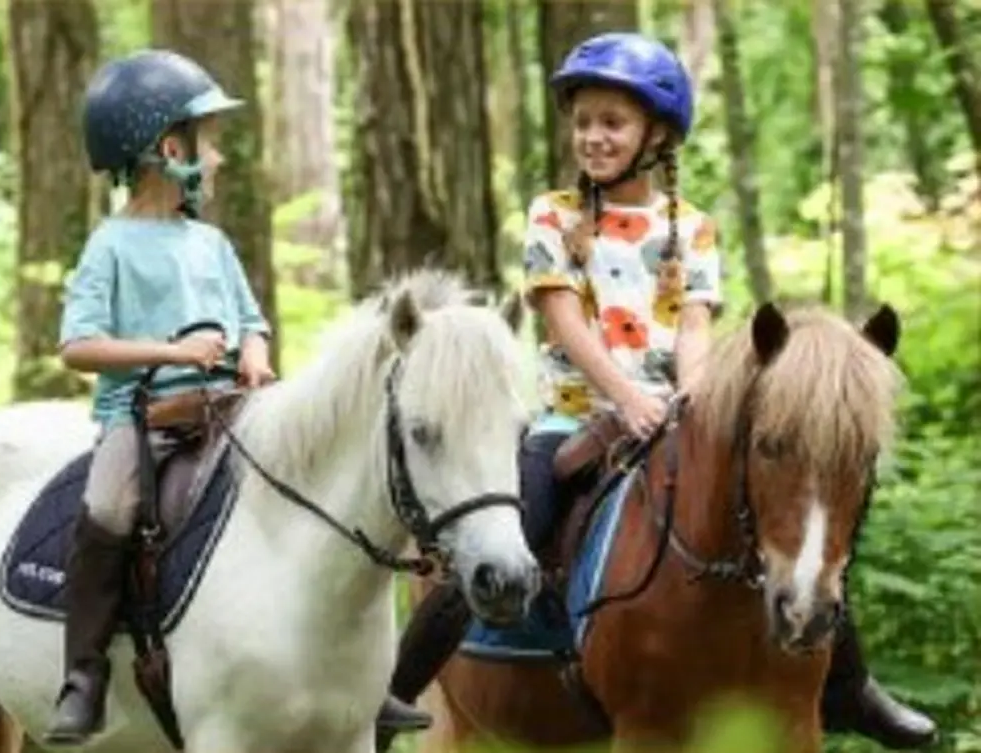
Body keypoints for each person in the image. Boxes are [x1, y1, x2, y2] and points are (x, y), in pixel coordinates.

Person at [378, 31, 937, 751]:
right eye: (583, 122)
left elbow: (694, 326)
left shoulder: (692, 229)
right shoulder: (554, 215)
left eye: (612, 122)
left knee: (789, 518)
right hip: (570, 413)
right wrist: (623, 394)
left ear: (656, 135)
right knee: (515, 520)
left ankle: (848, 684)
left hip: (669, 411)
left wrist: (693, 394)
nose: (593, 136)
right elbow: (563, 316)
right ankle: (400, 683)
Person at [44, 49, 428, 745]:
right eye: (208, 141)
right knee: (106, 511)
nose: (217, 158)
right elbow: (78, 345)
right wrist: (170, 352)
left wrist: (255, 353)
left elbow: (250, 320)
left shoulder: (211, 243)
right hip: (144, 419)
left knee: (331, 508)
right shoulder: (111, 246)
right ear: (170, 148)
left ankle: (361, 682)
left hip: (230, 412)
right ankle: (85, 673)